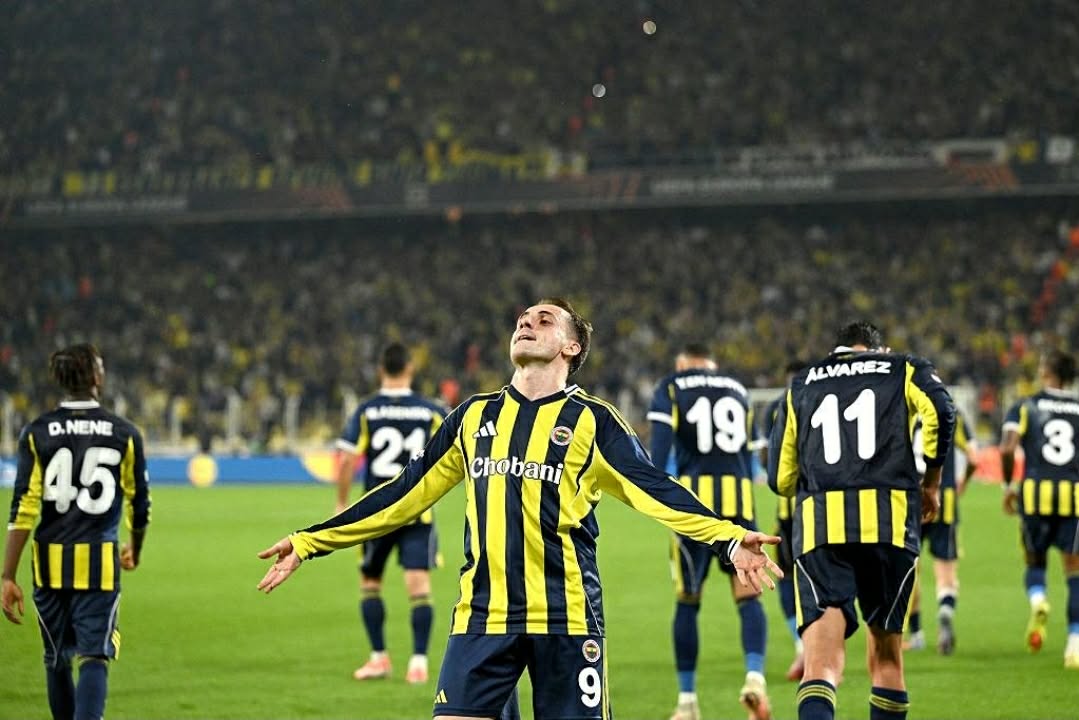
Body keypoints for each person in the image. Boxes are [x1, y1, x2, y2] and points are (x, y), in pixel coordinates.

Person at [257, 298, 783, 720]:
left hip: (567, 618)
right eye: (523, 319)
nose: (527, 323)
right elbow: (401, 494)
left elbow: (654, 488)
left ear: (572, 346)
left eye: (544, 319)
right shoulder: (472, 417)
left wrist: (729, 538)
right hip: (482, 617)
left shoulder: (594, 421)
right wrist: (310, 540)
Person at [767, 321, 955, 720]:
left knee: (821, 663)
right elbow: (942, 409)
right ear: (877, 348)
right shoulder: (902, 367)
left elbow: (780, 480)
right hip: (890, 525)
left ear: (836, 351)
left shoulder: (802, 383)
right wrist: (932, 483)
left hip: (821, 531)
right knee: (887, 659)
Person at [2, 344, 151, 720]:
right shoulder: (124, 433)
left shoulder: (37, 432)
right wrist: (135, 547)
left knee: (55, 658)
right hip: (98, 565)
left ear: (59, 380)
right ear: (97, 377)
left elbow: (23, 509)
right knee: (94, 656)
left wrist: (7, 575)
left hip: (48, 566)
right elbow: (139, 503)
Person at [648, 343, 771, 720]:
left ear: (682, 362)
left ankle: (687, 702)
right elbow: (751, 457)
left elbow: (657, 458)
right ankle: (755, 678)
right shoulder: (737, 389)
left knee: (688, 601)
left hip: (694, 514)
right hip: (741, 509)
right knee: (748, 597)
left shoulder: (671, 387)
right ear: (711, 364)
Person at [335, 342, 448, 683]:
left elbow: (346, 459)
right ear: (410, 368)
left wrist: (342, 503)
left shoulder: (367, 410)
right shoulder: (430, 410)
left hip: (377, 512)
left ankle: (379, 658)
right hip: (418, 511)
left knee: (370, 583)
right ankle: (418, 663)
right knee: (419, 586)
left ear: (381, 370)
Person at [1000, 349, 1079, 668]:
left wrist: (1008, 486)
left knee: (1035, 561)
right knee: (1074, 572)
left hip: (1034, 495)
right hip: (1074, 496)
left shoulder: (1026, 405)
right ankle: (1075, 644)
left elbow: (1007, 448)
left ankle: (1038, 600)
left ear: (1046, 371)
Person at [904, 411, 977, 655]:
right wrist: (963, 481)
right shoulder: (952, 412)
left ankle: (916, 634)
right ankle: (945, 610)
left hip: (909, 498)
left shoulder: (904, 407)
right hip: (943, 498)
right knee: (946, 571)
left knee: (910, 569)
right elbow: (974, 458)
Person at [757, 359, 810, 681]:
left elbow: (768, 460)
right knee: (821, 580)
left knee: (788, 579)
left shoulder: (775, 408)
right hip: (821, 508)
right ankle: (822, 651)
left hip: (788, 514)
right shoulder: (823, 397)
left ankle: (803, 647)